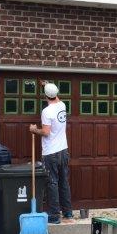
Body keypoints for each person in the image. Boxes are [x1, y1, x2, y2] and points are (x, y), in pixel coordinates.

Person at [29, 82, 73, 224]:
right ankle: (68, 213)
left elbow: (46, 132)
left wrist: (34, 130)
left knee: (52, 182)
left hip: (51, 153)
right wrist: (47, 85)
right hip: (63, 151)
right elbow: (55, 96)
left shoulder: (47, 111)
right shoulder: (62, 105)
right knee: (64, 182)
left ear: (45, 95)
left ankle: (54, 216)